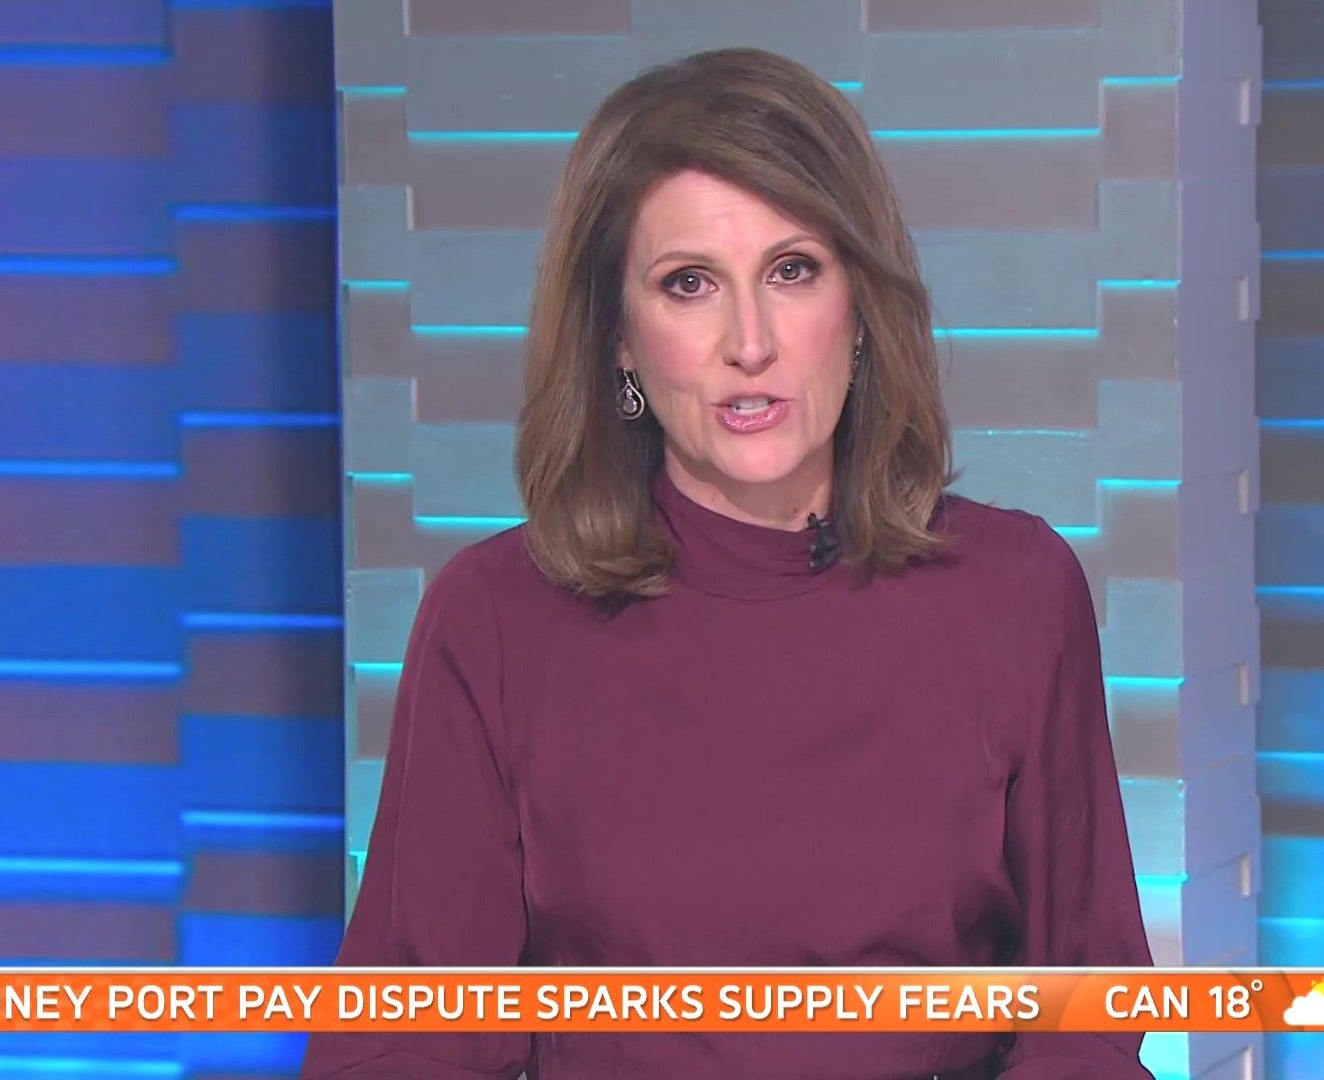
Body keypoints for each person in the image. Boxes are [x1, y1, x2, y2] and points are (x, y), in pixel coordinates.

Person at [303, 46, 1154, 1079]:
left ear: (859, 308)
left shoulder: (1014, 593)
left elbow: (1087, 1018)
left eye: (792, 271)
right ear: (619, 339)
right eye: (689, 284)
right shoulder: (495, 620)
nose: (750, 343)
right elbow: (402, 1042)